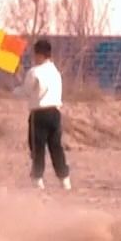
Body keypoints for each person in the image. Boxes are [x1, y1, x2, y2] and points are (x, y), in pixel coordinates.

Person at [19, 39, 71, 190]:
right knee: (56, 147)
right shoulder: (56, 72)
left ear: (40, 54)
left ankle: (37, 178)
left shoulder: (35, 72)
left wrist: (16, 89)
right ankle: (64, 178)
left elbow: (27, 91)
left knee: (37, 147)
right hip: (55, 113)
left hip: (39, 114)